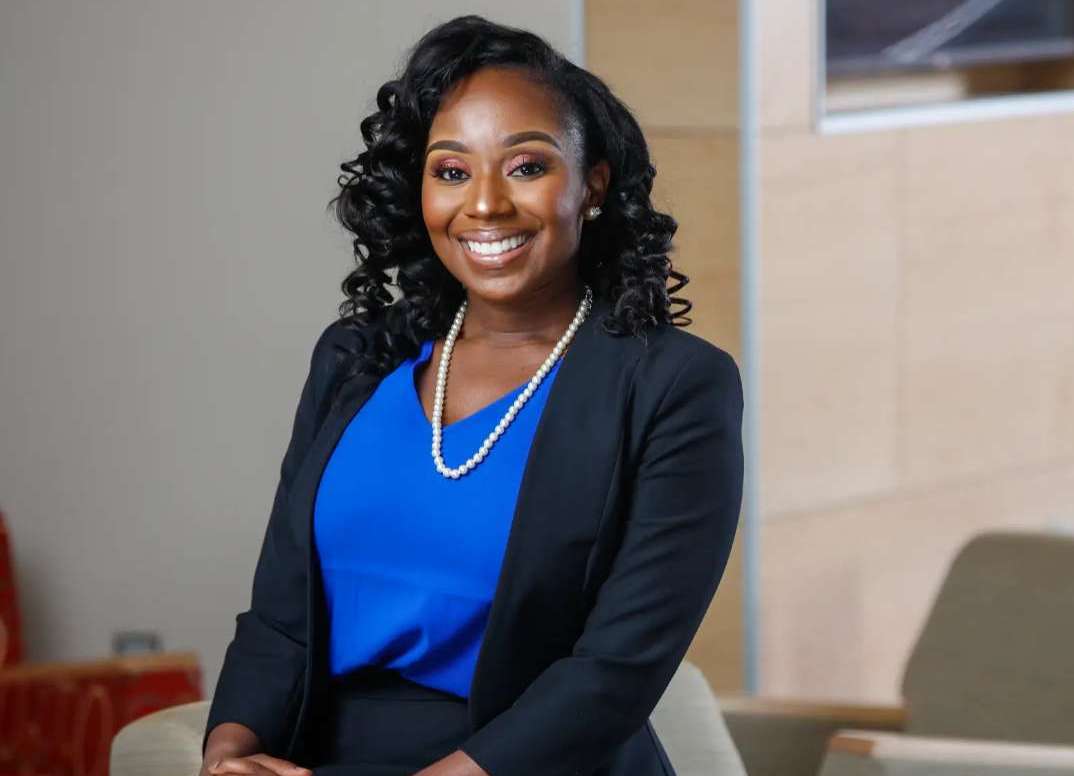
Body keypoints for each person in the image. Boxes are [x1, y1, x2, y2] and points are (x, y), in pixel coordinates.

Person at [200, 14, 743, 776]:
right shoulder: (356, 359)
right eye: (452, 171)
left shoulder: (673, 386)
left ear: (593, 183)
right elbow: (280, 619)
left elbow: (615, 670)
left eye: (526, 167)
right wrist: (232, 752)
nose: (484, 205)